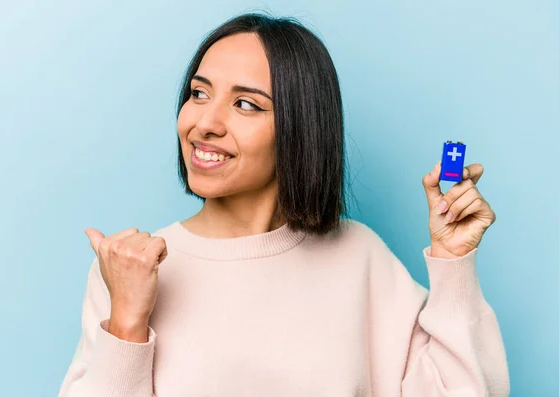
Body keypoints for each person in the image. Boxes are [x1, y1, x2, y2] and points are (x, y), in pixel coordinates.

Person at [58, 12, 510, 397]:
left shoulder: (359, 257)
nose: (205, 123)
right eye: (198, 93)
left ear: (299, 128)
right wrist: (127, 324)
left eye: (245, 104)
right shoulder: (127, 269)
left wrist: (453, 263)